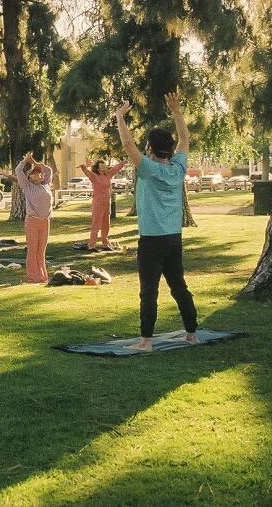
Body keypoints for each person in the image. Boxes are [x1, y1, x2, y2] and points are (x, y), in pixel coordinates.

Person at [116, 94, 199, 351]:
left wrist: (119, 117)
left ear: (150, 149)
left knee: (149, 291)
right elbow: (184, 139)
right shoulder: (178, 168)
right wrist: (177, 111)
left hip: (152, 240)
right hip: (173, 238)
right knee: (179, 287)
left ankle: (146, 341)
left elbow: (129, 145)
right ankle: (192, 334)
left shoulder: (149, 169)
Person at [15, 152, 54, 284]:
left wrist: (35, 162)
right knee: (33, 249)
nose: (37, 173)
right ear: (29, 177)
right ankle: (33, 276)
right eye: (34, 173)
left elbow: (49, 170)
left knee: (41, 250)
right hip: (32, 221)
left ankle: (42, 276)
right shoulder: (27, 187)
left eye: (38, 172)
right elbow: (18, 171)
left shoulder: (46, 183)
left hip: (45, 222)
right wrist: (25, 161)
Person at [80, 158, 126, 250]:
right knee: (96, 224)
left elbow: (115, 168)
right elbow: (87, 172)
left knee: (106, 224)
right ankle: (92, 245)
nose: (104, 167)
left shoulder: (108, 175)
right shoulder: (94, 176)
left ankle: (105, 244)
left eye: (104, 166)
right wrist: (84, 167)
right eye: (101, 166)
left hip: (107, 203)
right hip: (98, 203)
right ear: (97, 168)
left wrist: (122, 163)